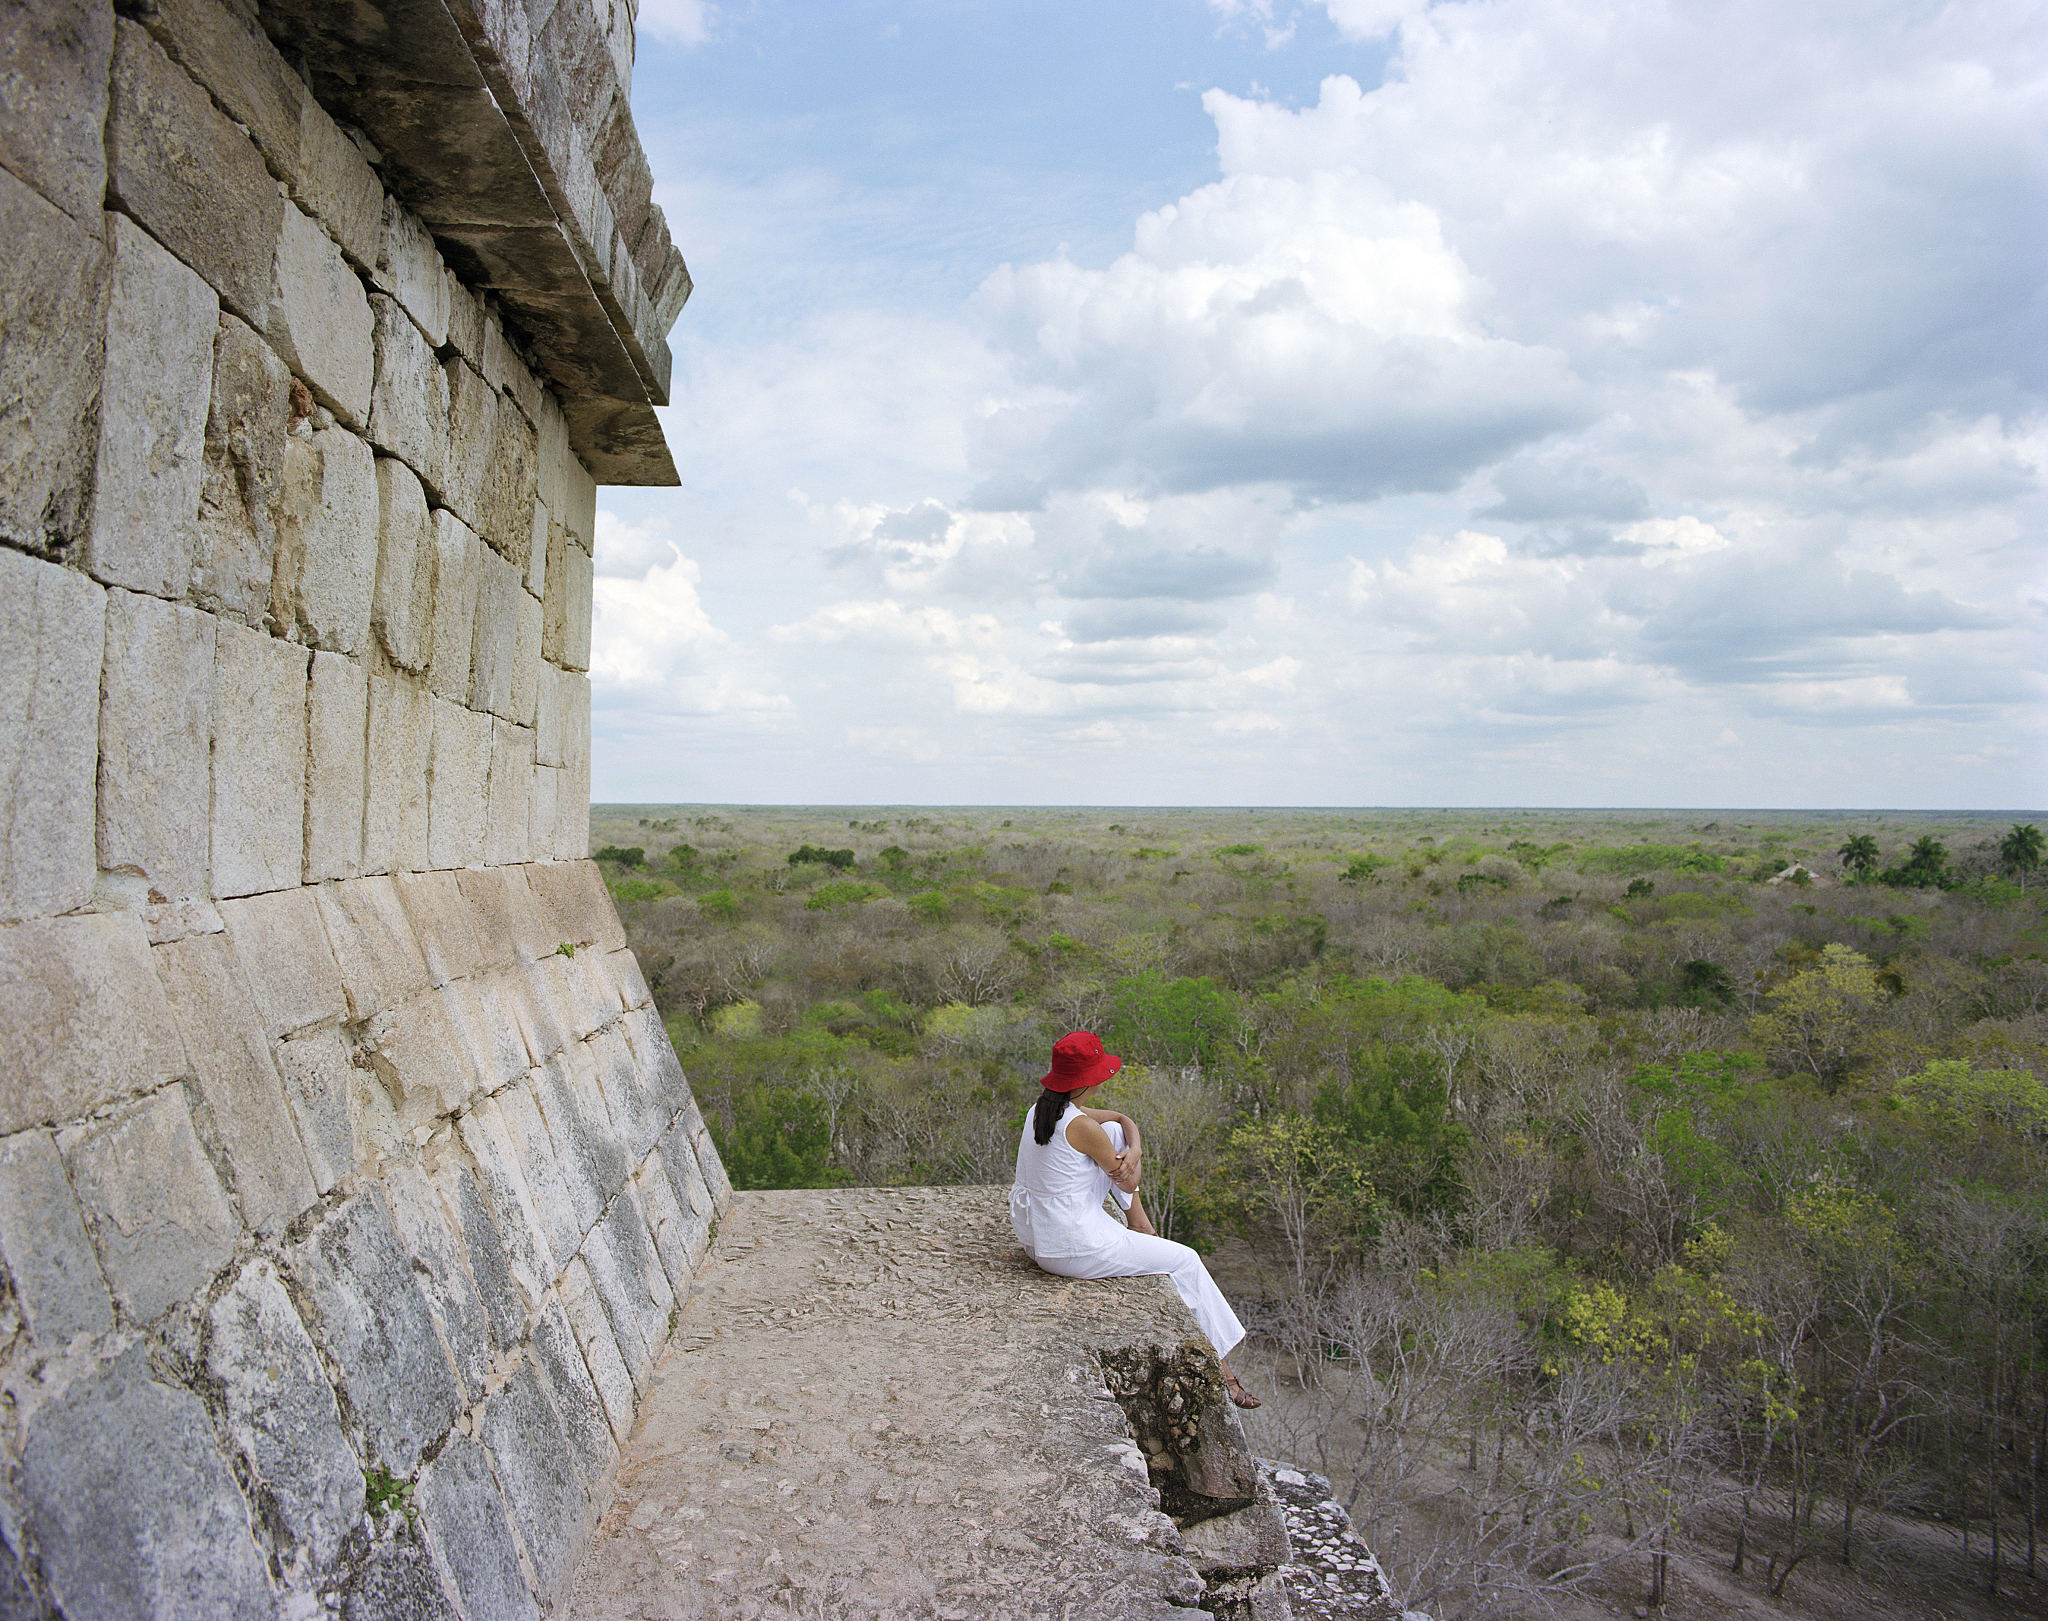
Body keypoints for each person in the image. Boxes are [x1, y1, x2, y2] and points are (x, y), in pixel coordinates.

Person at [1009, 1030, 1260, 1408]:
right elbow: (1129, 1176)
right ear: (1090, 1079)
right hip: (1071, 1246)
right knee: (1185, 1260)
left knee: (1114, 1132)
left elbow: (1121, 1121)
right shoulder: (1082, 1128)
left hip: (1037, 1234)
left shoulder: (1043, 1110)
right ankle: (1223, 1370)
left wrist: (1133, 1140)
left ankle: (1139, 1223)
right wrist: (1134, 1155)